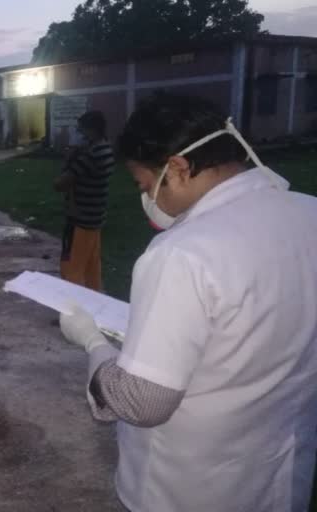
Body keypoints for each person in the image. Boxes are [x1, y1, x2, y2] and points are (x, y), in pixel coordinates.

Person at [58, 94, 317, 512]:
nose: (148, 198)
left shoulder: (183, 253)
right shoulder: (310, 214)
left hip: (188, 487)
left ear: (177, 168)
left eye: (145, 185)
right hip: (281, 474)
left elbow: (142, 402)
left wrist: (91, 342)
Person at [53, 111, 115, 291]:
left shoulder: (90, 155)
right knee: (91, 267)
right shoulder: (106, 149)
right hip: (95, 217)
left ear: (91, 130)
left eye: (81, 130)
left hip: (79, 218)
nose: (79, 135)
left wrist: (69, 159)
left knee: (72, 267)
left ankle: (72, 312)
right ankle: (94, 306)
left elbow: (60, 184)